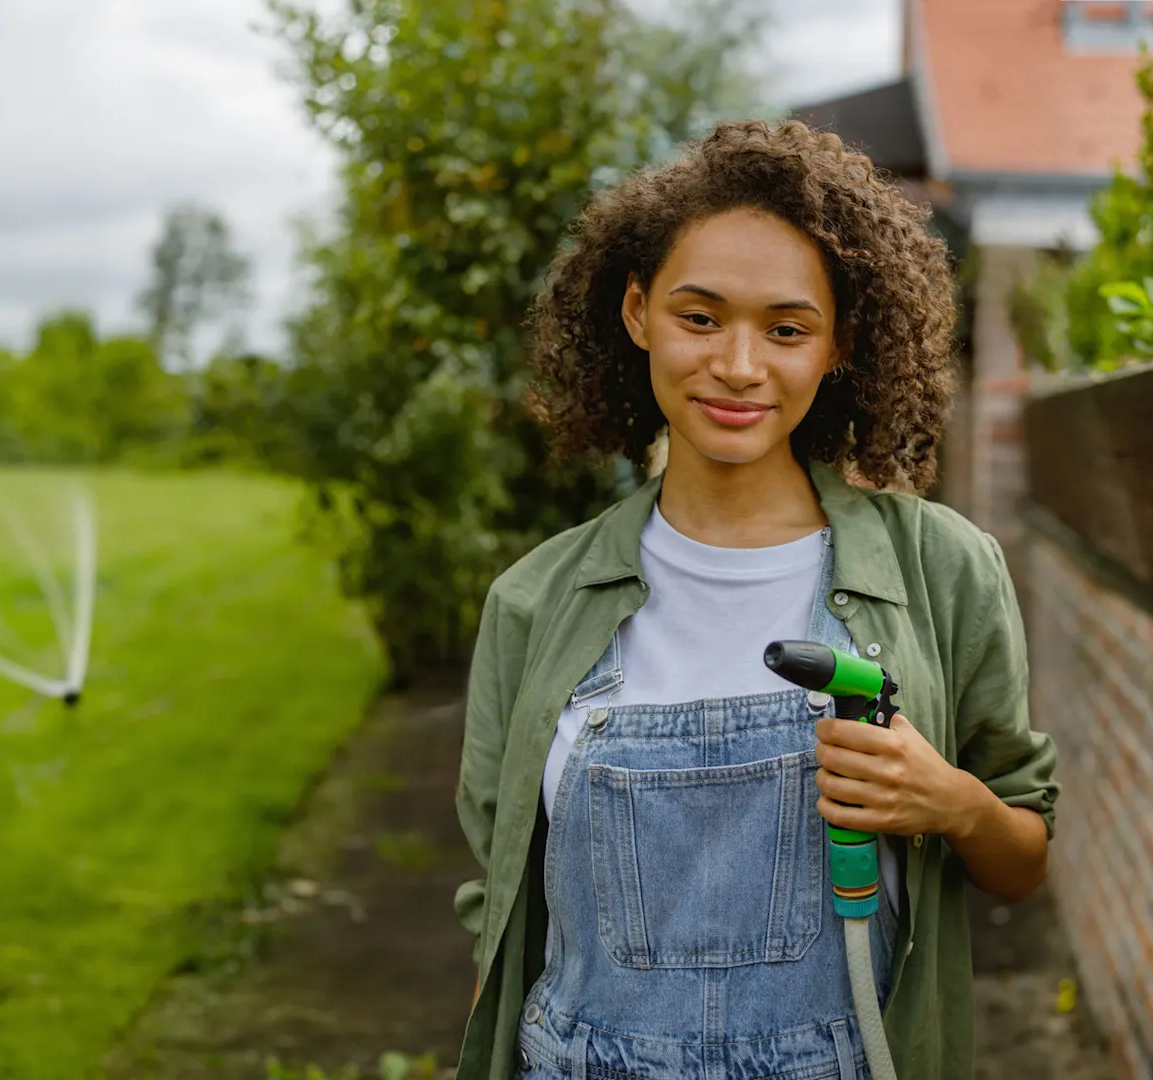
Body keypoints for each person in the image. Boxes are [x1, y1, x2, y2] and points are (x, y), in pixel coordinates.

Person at [451, 119, 1059, 1080]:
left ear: (838, 345)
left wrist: (949, 802)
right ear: (637, 312)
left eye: (786, 329)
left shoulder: (944, 569)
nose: (739, 366)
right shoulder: (534, 602)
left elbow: (1022, 858)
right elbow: (502, 891)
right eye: (700, 318)